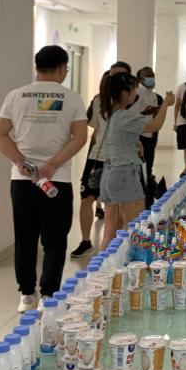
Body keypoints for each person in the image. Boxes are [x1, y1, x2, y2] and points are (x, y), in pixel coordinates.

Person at [0, 45, 88, 312]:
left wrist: (20, 161)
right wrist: (54, 163)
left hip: (22, 180)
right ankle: (49, 294)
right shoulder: (71, 98)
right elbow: (80, 137)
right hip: (57, 180)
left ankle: (26, 294)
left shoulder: (16, 96)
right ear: (61, 68)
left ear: (38, 67)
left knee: (24, 237)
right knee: (55, 239)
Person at [96, 73, 173, 247]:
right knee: (134, 230)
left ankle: (105, 264)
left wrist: (134, 141)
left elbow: (118, 135)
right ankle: (128, 263)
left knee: (109, 233)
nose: (135, 93)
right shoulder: (125, 116)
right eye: (133, 90)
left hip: (109, 173)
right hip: (125, 173)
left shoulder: (108, 113)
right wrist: (166, 104)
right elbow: (155, 126)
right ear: (124, 94)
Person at [72, 71, 111, 259]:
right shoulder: (98, 101)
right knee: (86, 198)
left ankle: (112, 243)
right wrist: (93, 153)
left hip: (119, 159)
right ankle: (85, 240)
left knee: (115, 203)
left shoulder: (131, 103)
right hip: (97, 157)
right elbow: (95, 130)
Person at [133, 66, 162, 204]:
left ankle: (147, 197)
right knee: (139, 168)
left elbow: (155, 117)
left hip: (150, 135)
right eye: (147, 76)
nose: (151, 79)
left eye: (152, 76)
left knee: (148, 167)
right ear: (140, 79)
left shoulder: (155, 96)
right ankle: (139, 197)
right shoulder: (136, 93)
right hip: (138, 135)